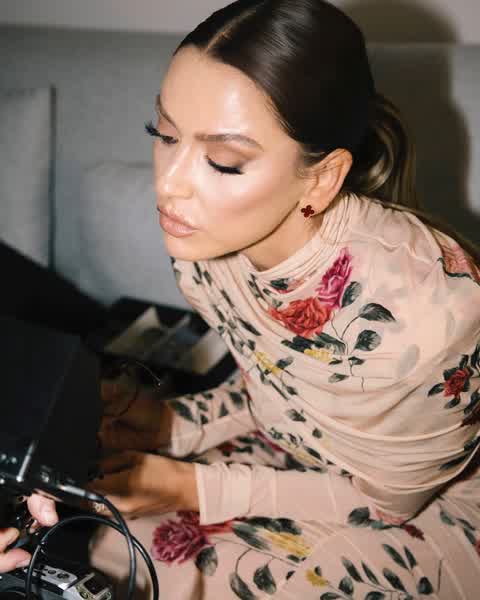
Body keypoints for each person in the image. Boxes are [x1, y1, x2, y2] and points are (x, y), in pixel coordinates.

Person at [45, 0, 480, 598]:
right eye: (164, 135)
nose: (168, 185)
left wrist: (189, 486)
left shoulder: (433, 317)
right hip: (300, 461)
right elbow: (283, 395)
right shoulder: (207, 246)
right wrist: (172, 425)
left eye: (223, 162)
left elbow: (389, 504)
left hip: (430, 508)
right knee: (107, 538)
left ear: (322, 178)